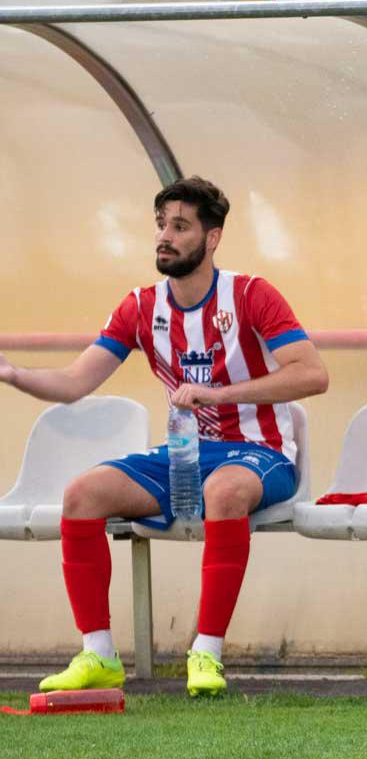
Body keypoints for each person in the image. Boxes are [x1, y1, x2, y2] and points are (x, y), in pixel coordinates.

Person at [0, 176, 328, 697]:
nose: (165, 237)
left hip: (260, 453)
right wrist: (13, 373)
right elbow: (73, 382)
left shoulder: (250, 295)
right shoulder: (139, 306)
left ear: (212, 237)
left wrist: (217, 395)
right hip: (185, 455)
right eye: (160, 225)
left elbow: (313, 374)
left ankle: (207, 652)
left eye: (180, 226)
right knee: (81, 495)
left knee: (224, 491)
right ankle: (99, 655)